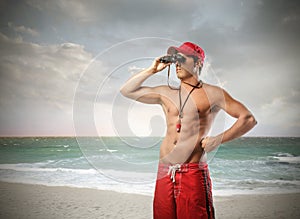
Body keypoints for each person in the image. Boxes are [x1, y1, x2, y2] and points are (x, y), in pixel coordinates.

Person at [120, 42, 257, 219]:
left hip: (193, 172)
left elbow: (248, 118)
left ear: (198, 63)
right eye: (175, 58)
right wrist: (152, 70)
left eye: (182, 58)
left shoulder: (213, 93)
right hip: (165, 172)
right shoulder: (165, 92)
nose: (177, 63)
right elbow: (126, 90)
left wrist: (217, 139)